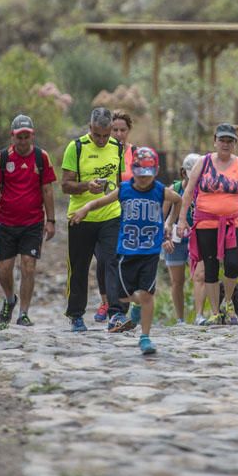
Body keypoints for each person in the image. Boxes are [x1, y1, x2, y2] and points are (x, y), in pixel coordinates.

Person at [70, 147, 182, 354]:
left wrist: (169, 224)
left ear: (155, 172)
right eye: (139, 175)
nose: (143, 180)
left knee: (148, 295)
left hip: (149, 252)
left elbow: (178, 200)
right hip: (126, 253)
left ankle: (145, 337)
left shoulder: (160, 190)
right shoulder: (124, 190)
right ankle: (137, 306)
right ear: (133, 171)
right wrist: (85, 209)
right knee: (123, 296)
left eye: (147, 176)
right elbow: (100, 202)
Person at [0, 114, 57, 327]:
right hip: (5, 222)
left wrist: (51, 221)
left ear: (32, 136)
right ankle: (9, 299)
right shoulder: (3, 157)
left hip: (33, 222)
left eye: (26, 136)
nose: (23, 141)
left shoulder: (42, 158)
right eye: (19, 137)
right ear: (12, 137)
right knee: (4, 269)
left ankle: (24, 313)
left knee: (28, 267)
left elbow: (48, 190)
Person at [179, 123, 238, 325]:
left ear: (235, 144)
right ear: (215, 141)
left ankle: (228, 302)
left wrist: (233, 197)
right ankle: (215, 311)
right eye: (222, 140)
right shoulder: (203, 162)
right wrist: (181, 219)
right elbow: (188, 192)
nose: (225, 144)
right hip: (205, 223)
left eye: (230, 141)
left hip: (232, 224)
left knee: (232, 264)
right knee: (211, 267)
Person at [61, 107, 124, 332]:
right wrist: (87, 186)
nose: (101, 139)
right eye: (97, 134)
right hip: (81, 216)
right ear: (90, 128)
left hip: (111, 214)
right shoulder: (76, 148)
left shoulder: (117, 147)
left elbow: (120, 183)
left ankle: (115, 313)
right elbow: (65, 185)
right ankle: (76, 314)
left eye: (106, 135)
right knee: (79, 267)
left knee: (112, 261)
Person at [93, 110, 138, 322]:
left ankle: (121, 303)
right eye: (115, 130)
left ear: (129, 131)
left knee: (124, 259)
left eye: (123, 130)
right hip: (104, 212)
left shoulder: (136, 154)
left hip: (130, 215)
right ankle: (106, 301)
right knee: (103, 259)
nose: (118, 134)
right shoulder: (100, 152)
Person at [163, 153, 206, 324]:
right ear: (183, 173)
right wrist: (164, 238)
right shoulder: (173, 190)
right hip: (175, 238)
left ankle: (199, 315)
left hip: (199, 236)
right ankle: (180, 318)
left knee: (199, 276)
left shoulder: (205, 190)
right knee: (177, 280)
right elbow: (162, 216)